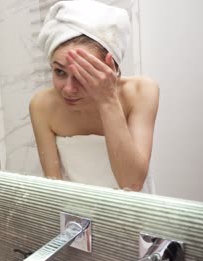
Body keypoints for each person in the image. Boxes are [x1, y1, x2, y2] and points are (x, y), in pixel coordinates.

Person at [30, 0, 159, 192]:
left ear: (110, 69)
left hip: (135, 213)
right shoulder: (42, 106)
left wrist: (108, 100)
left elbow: (132, 184)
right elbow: (54, 190)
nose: (68, 89)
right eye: (60, 72)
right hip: (79, 215)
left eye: (84, 75)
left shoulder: (141, 92)